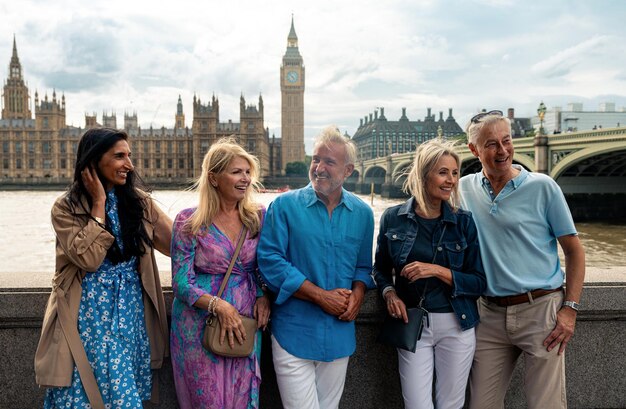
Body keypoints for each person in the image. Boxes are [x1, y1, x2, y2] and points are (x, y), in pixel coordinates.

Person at [34, 127, 172, 409]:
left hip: (130, 313)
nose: (129, 165)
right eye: (120, 156)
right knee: (85, 394)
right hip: (87, 316)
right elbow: (89, 259)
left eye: (130, 156)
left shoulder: (139, 203)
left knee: (122, 391)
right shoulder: (66, 208)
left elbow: (178, 244)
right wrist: (99, 203)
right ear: (94, 160)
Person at [460, 110, 586, 409]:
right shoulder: (463, 188)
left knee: (544, 405)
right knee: (481, 404)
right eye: (491, 144)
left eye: (506, 140)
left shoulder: (543, 187)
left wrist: (569, 309)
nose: (502, 150)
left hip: (540, 311)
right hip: (488, 314)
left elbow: (574, 250)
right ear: (474, 150)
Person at [257, 126, 374, 409]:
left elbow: (362, 266)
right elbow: (270, 261)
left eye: (329, 162)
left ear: (348, 171)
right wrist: (321, 296)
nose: (319, 168)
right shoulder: (284, 206)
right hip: (293, 332)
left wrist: (358, 294)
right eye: (315, 159)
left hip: (339, 333)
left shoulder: (363, 214)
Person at [372, 138, 486, 409]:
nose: (451, 180)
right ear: (424, 175)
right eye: (443, 172)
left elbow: (479, 282)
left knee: (451, 405)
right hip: (413, 324)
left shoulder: (464, 223)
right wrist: (389, 293)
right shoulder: (393, 218)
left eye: (455, 173)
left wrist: (436, 270)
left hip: (456, 325)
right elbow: (380, 269)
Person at [170, 138, 271, 409]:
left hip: (246, 323)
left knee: (243, 396)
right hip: (199, 325)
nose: (245, 178)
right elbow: (180, 282)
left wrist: (264, 296)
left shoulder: (258, 217)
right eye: (237, 172)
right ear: (213, 178)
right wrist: (219, 306)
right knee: (208, 400)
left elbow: (264, 266)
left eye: (248, 172)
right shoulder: (189, 221)